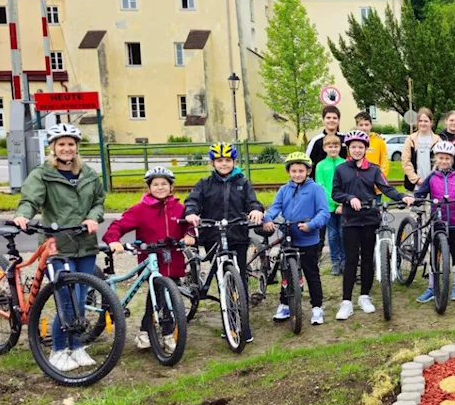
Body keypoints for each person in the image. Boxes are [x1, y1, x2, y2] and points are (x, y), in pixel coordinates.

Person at [103, 166, 191, 352]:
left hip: (172, 261)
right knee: (157, 298)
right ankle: (166, 335)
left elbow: (188, 228)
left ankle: (146, 331)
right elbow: (118, 225)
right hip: (151, 262)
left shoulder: (179, 208)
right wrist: (114, 241)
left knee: (166, 300)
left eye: (164, 184)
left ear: (171, 187)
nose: (160, 187)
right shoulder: (140, 209)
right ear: (149, 187)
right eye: (156, 184)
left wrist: (190, 235)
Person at [183, 141, 264, 342]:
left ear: (234, 162)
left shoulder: (243, 183)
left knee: (239, 278)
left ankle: (242, 325)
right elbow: (192, 201)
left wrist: (255, 209)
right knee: (222, 279)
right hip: (213, 235)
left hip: (237, 235)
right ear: (213, 163)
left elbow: (253, 201)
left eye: (228, 160)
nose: (224, 164)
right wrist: (192, 213)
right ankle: (229, 320)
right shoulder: (204, 184)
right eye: (219, 160)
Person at [332, 131, 399, 318]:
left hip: (370, 219)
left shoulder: (374, 169)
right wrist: (349, 197)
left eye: (360, 147)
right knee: (351, 259)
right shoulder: (341, 169)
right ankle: (346, 301)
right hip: (350, 221)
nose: (357, 150)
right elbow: (335, 193)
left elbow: (386, 188)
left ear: (366, 148)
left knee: (368, 258)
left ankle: (364, 296)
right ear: (348, 148)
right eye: (353, 147)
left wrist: (403, 197)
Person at [263, 152, 330, 325]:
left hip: (308, 238)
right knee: (286, 271)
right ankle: (285, 304)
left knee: (311, 273)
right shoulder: (284, 190)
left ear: (308, 171)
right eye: (294, 171)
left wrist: (312, 225)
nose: (297, 174)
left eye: (301, 171)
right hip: (288, 236)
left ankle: (317, 307)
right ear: (288, 172)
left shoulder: (316, 189)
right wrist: (268, 219)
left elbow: (324, 212)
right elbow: (274, 207)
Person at [413, 141, 455, 303]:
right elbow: (421, 193)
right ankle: (431, 287)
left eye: (447, 158)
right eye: (441, 158)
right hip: (437, 221)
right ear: (435, 159)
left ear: (452, 160)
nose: (444, 161)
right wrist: (414, 199)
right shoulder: (431, 178)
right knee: (435, 254)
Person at [315, 134, 346, 275]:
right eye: (330, 146)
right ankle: (335, 262)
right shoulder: (321, 166)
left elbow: (348, 185)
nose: (333, 149)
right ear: (325, 148)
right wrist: (335, 201)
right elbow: (321, 186)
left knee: (343, 233)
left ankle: (345, 262)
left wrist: (343, 203)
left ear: (340, 147)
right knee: (332, 235)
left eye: (336, 146)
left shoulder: (345, 164)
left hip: (344, 206)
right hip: (328, 206)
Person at [401, 108, 438, 192]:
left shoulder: (437, 140)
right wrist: (416, 179)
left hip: (432, 187)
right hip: (413, 187)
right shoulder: (410, 139)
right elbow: (405, 161)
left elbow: (438, 163)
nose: (423, 123)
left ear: (431, 122)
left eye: (426, 121)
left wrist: (431, 179)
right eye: (420, 121)